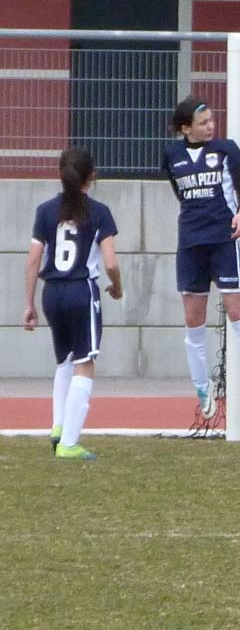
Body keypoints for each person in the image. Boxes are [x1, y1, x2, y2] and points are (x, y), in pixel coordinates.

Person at [159, 96, 240, 418]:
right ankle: (201, 386)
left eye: (211, 120)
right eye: (203, 122)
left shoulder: (226, 150)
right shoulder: (171, 155)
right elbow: (180, 194)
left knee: (237, 312)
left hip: (224, 241)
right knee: (194, 320)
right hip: (190, 244)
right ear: (185, 128)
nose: (211, 126)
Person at [21, 147, 122, 460]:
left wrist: (29, 303)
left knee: (64, 360)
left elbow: (33, 259)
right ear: (92, 176)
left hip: (52, 292)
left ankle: (58, 426)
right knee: (84, 364)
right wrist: (117, 287)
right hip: (81, 290)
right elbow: (110, 262)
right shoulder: (99, 212)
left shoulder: (45, 211)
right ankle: (69, 443)